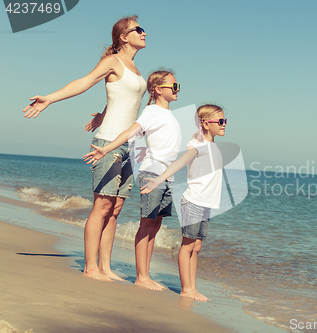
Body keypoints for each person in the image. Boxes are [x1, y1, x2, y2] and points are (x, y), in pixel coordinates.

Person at [23, 16, 147, 281]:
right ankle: (91, 268)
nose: (144, 33)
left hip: (129, 144)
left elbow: (122, 99)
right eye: (138, 29)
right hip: (109, 142)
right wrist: (50, 99)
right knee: (102, 206)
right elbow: (84, 82)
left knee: (115, 210)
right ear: (123, 37)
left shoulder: (136, 68)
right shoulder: (112, 62)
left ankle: (105, 267)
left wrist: (103, 113)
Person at [84, 70, 182, 290]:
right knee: (147, 222)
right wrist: (107, 149)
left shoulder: (168, 115)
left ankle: (139, 274)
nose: (177, 90)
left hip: (167, 175)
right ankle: (141, 276)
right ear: (158, 89)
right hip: (153, 173)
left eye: (178, 87)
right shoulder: (151, 112)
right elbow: (130, 132)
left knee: (155, 224)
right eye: (174, 86)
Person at [140, 104, 227, 301]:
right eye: (220, 121)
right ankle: (186, 289)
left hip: (206, 204)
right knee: (187, 245)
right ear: (206, 124)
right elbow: (179, 163)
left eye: (225, 121)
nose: (224, 125)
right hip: (193, 201)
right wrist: (158, 179)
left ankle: (192, 287)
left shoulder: (213, 146)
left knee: (196, 247)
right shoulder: (197, 147)